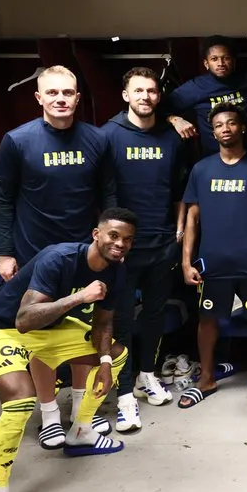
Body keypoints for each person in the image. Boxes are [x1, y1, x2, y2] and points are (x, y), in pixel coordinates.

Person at [0, 209, 137, 492]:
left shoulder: (116, 272)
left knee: (115, 354)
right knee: (20, 401)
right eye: (114, 235)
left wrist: (101, 363)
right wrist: (81, 296)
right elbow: (24, 319)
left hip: (49, 329)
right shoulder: (57, 258)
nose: (120, 244)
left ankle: (81, 432)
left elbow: (102, 323)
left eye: (127, 239)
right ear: (96, 234)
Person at [0, 64, 114, 448]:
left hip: (84, 255)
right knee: (42, 339)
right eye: (53, 93)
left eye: (68, 93)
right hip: (35, 254)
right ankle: (48, 417)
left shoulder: (97, 140)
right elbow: (4, 199)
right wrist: (4, 251)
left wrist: (109, 246)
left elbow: (108, 196)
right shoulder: (17, 140)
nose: (61, 99)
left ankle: (80, 416)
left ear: (78, 98)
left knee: (83, 336)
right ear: (39, 97)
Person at [179, 103, 247, 408]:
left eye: (230, 123)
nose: (225, 128)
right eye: (218, 125)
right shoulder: (201, 169)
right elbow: (192, 217)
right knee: (207, 320)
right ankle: (206, 380)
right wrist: (187, 262)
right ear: (212, 132)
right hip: (213, 263)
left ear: (243, 128)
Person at [102, 67, 187, 432]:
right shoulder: (107, 135)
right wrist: (110, 244)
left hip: (162, 242)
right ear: (125, 95)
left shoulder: (172, 137)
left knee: (153, 316)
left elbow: (181, 189)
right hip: (122, 251)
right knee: (120, 323)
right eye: (138, 91)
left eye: (151, 91)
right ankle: (123, 398)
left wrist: (180, 228)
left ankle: (146, 376)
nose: (146, 97)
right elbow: (101, 193)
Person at [165, 35, 247, 155]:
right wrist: (175, 120)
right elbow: (160, 108)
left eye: (226, 58)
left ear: (233, 61)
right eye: (214, 59)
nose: (221, 63)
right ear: (206, 64)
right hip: (215, 160)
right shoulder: (196, 87)